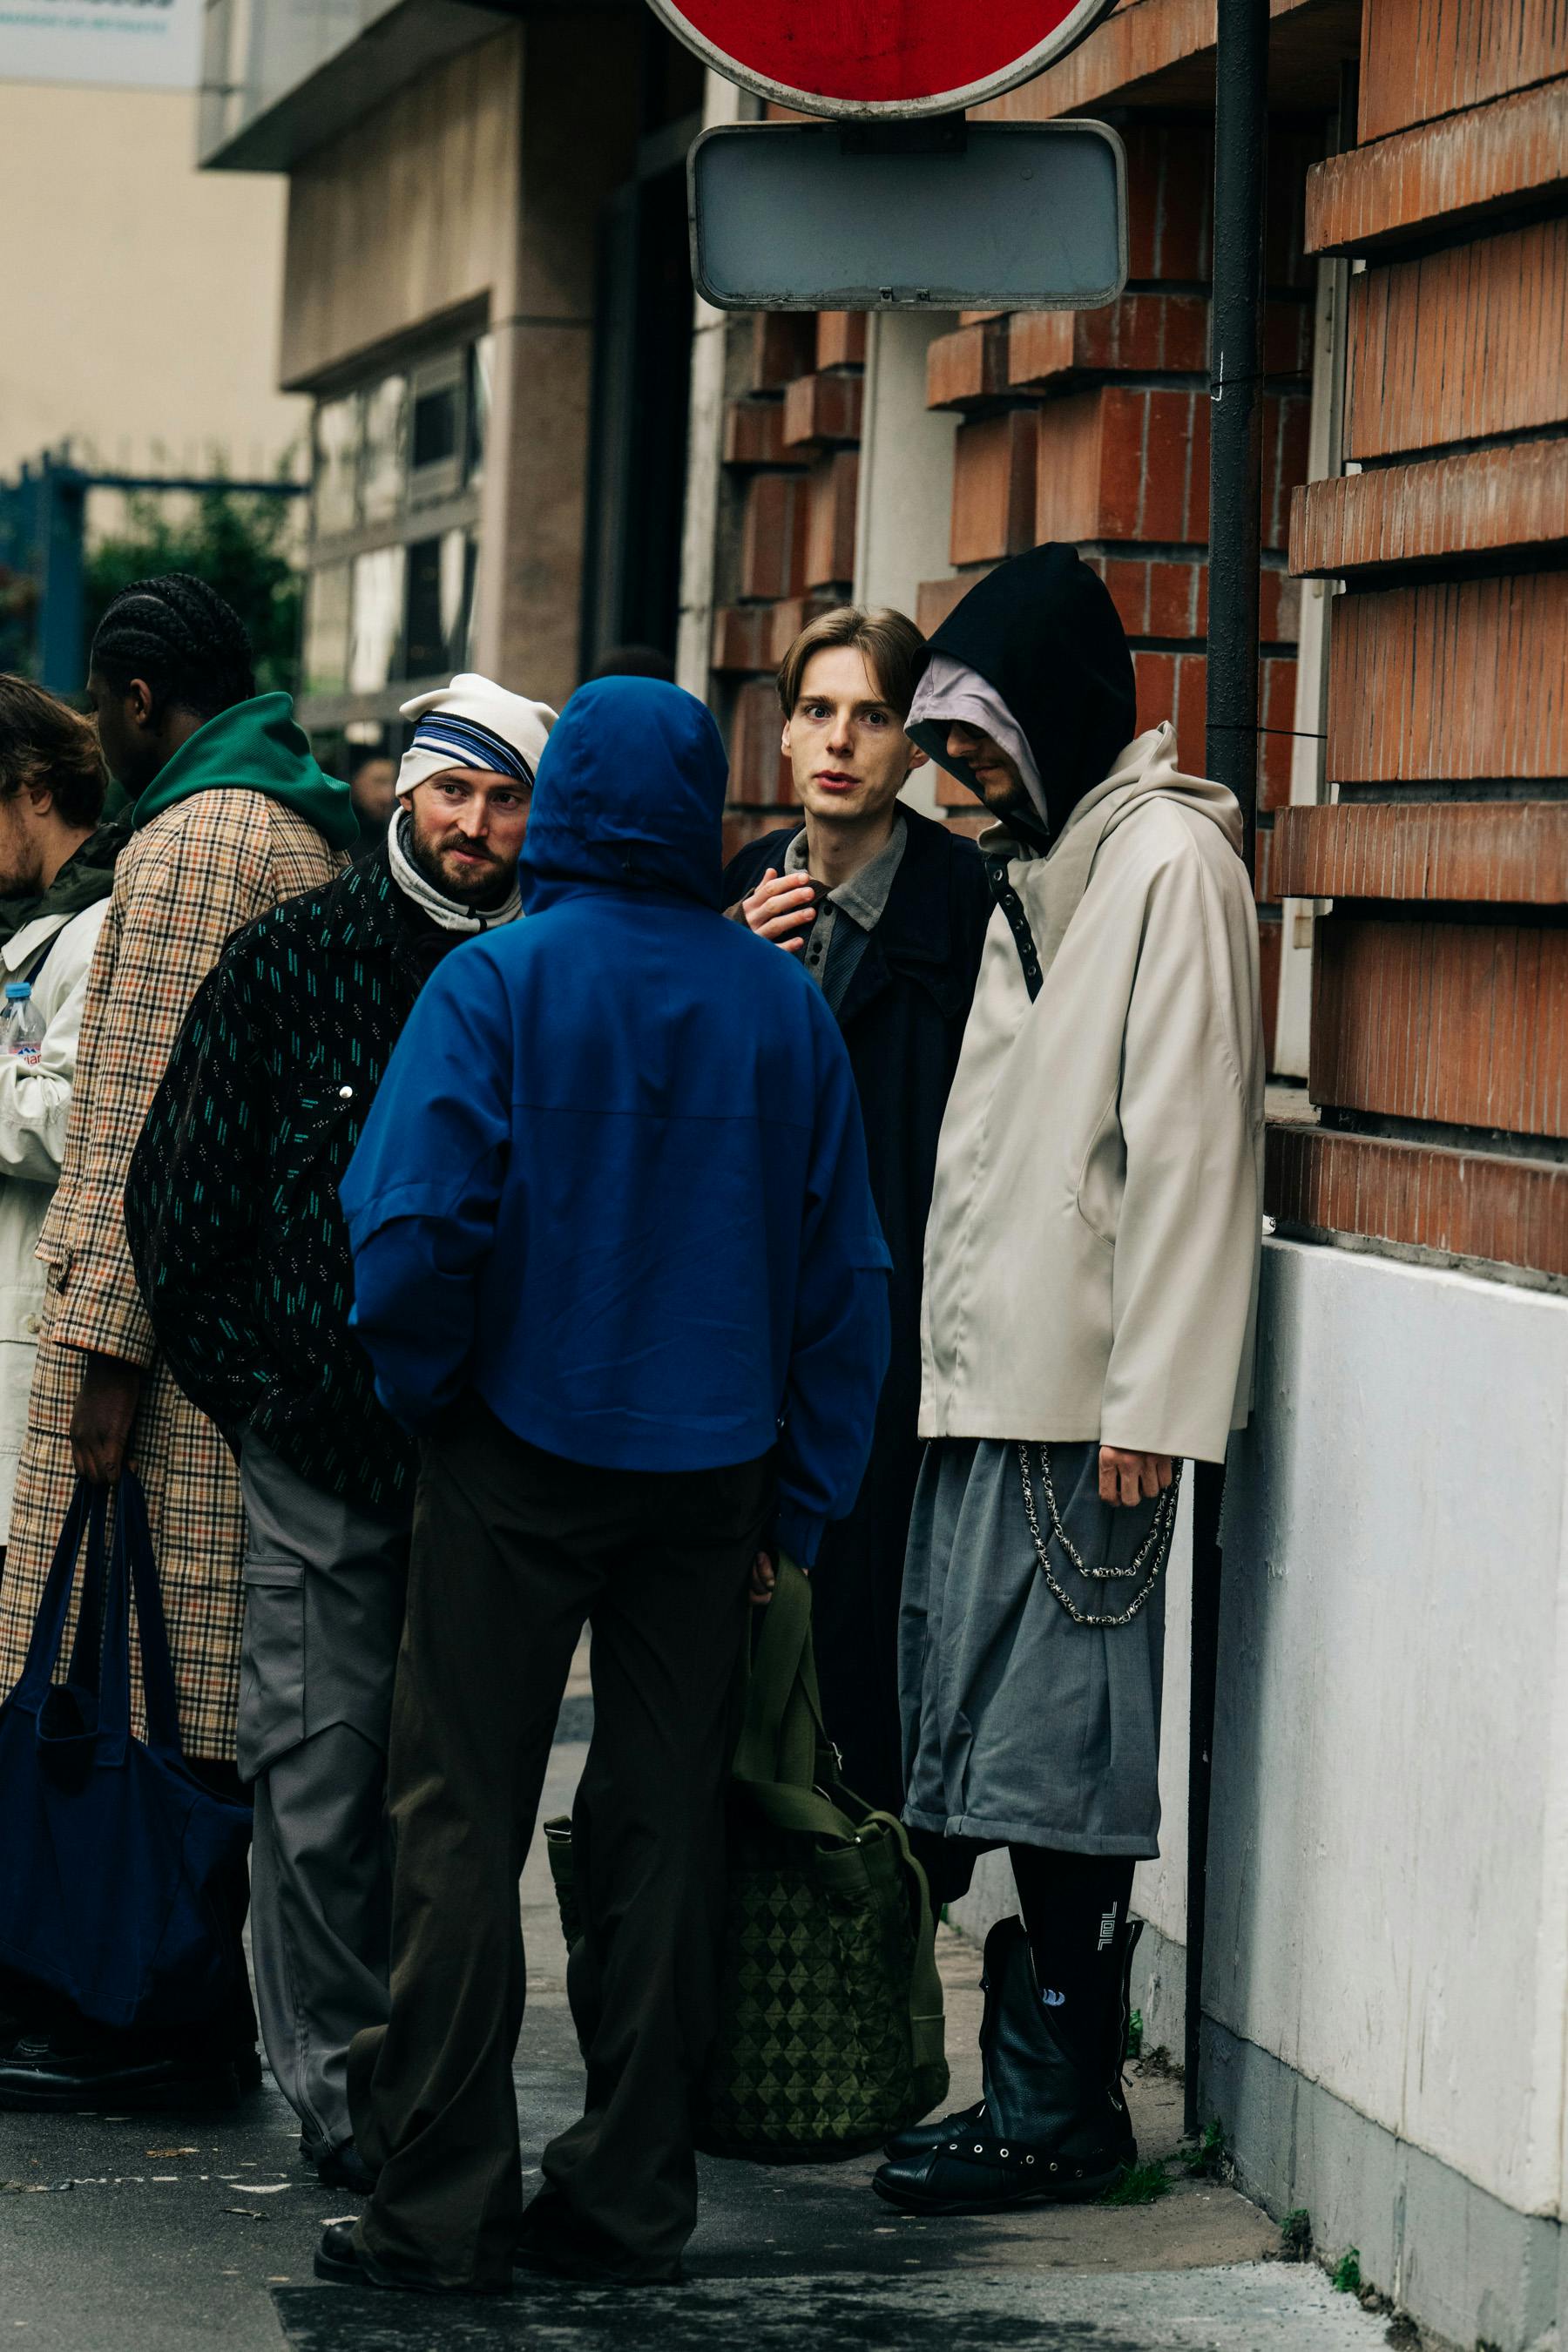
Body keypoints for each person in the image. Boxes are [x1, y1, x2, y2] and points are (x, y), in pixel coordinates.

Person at [314, 676, 890, 2295]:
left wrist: (437, 1401)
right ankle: (631, 2195)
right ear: (700, 801)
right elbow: (847, 1282)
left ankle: (436, 2205)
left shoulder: (496, 983)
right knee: (659, 1835)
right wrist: (799, 1504)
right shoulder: (784, 1007)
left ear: (563, 805)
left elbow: (411, 1237)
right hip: (710, 1482)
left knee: (457, 1823)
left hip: (512, 1450)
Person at [872, 544, 1265, 2216]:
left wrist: (1155, 1414)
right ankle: (1033, 2089)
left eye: (977, 747)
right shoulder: (1057, 863)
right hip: (997, 1388)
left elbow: (1190, 1148)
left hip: (1086, 1412)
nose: (960, 784)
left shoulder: (1168, 865)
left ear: (1050, 720)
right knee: (1000, 1750)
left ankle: (1061, 2109)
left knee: (1063, 1755)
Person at [124, 675, 551, 2189]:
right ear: (405, 794)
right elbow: (176, 1208)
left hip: (498, 1464)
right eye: (453, 791)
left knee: (458, 1800)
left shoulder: (546, 982)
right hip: (324, 1459)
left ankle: (433, 2076)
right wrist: (268, 1404)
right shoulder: (289, 964)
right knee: (318, 1781)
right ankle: (340, 2097)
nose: (474, 826)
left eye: (505, 800)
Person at [0, 575, 355, 2113]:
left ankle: (138, 2004)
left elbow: (142, 1124)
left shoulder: (193, 843)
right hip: (244, 1336)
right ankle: (161, 1997)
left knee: (138, 1677)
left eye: (105, 703)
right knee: (187, 1676)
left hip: (165, 1368)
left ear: (142, 702)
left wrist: (100, 1361)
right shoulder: (288, 820)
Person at [722, 608, 992, 1814]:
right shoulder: (741, 894)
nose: (842, 741)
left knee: (878, 1663)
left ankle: (872, 1931)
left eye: (873, 716)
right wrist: (736, 972)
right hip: (744, 1339)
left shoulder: (965, 904)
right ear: (784, 737)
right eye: (820, 712)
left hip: (904, 1338)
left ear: (914, 747)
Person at [0, 679, 125, 1557]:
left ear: (35, 789)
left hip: (38, 1339)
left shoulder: (99, 927)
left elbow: (78, 1119)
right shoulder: (33, 924)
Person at [348, 748, 398, 848]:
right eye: (379, 782)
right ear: (355, 782)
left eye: (394, 782)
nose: (389, 794)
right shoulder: (340, 834)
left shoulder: (397, 833)